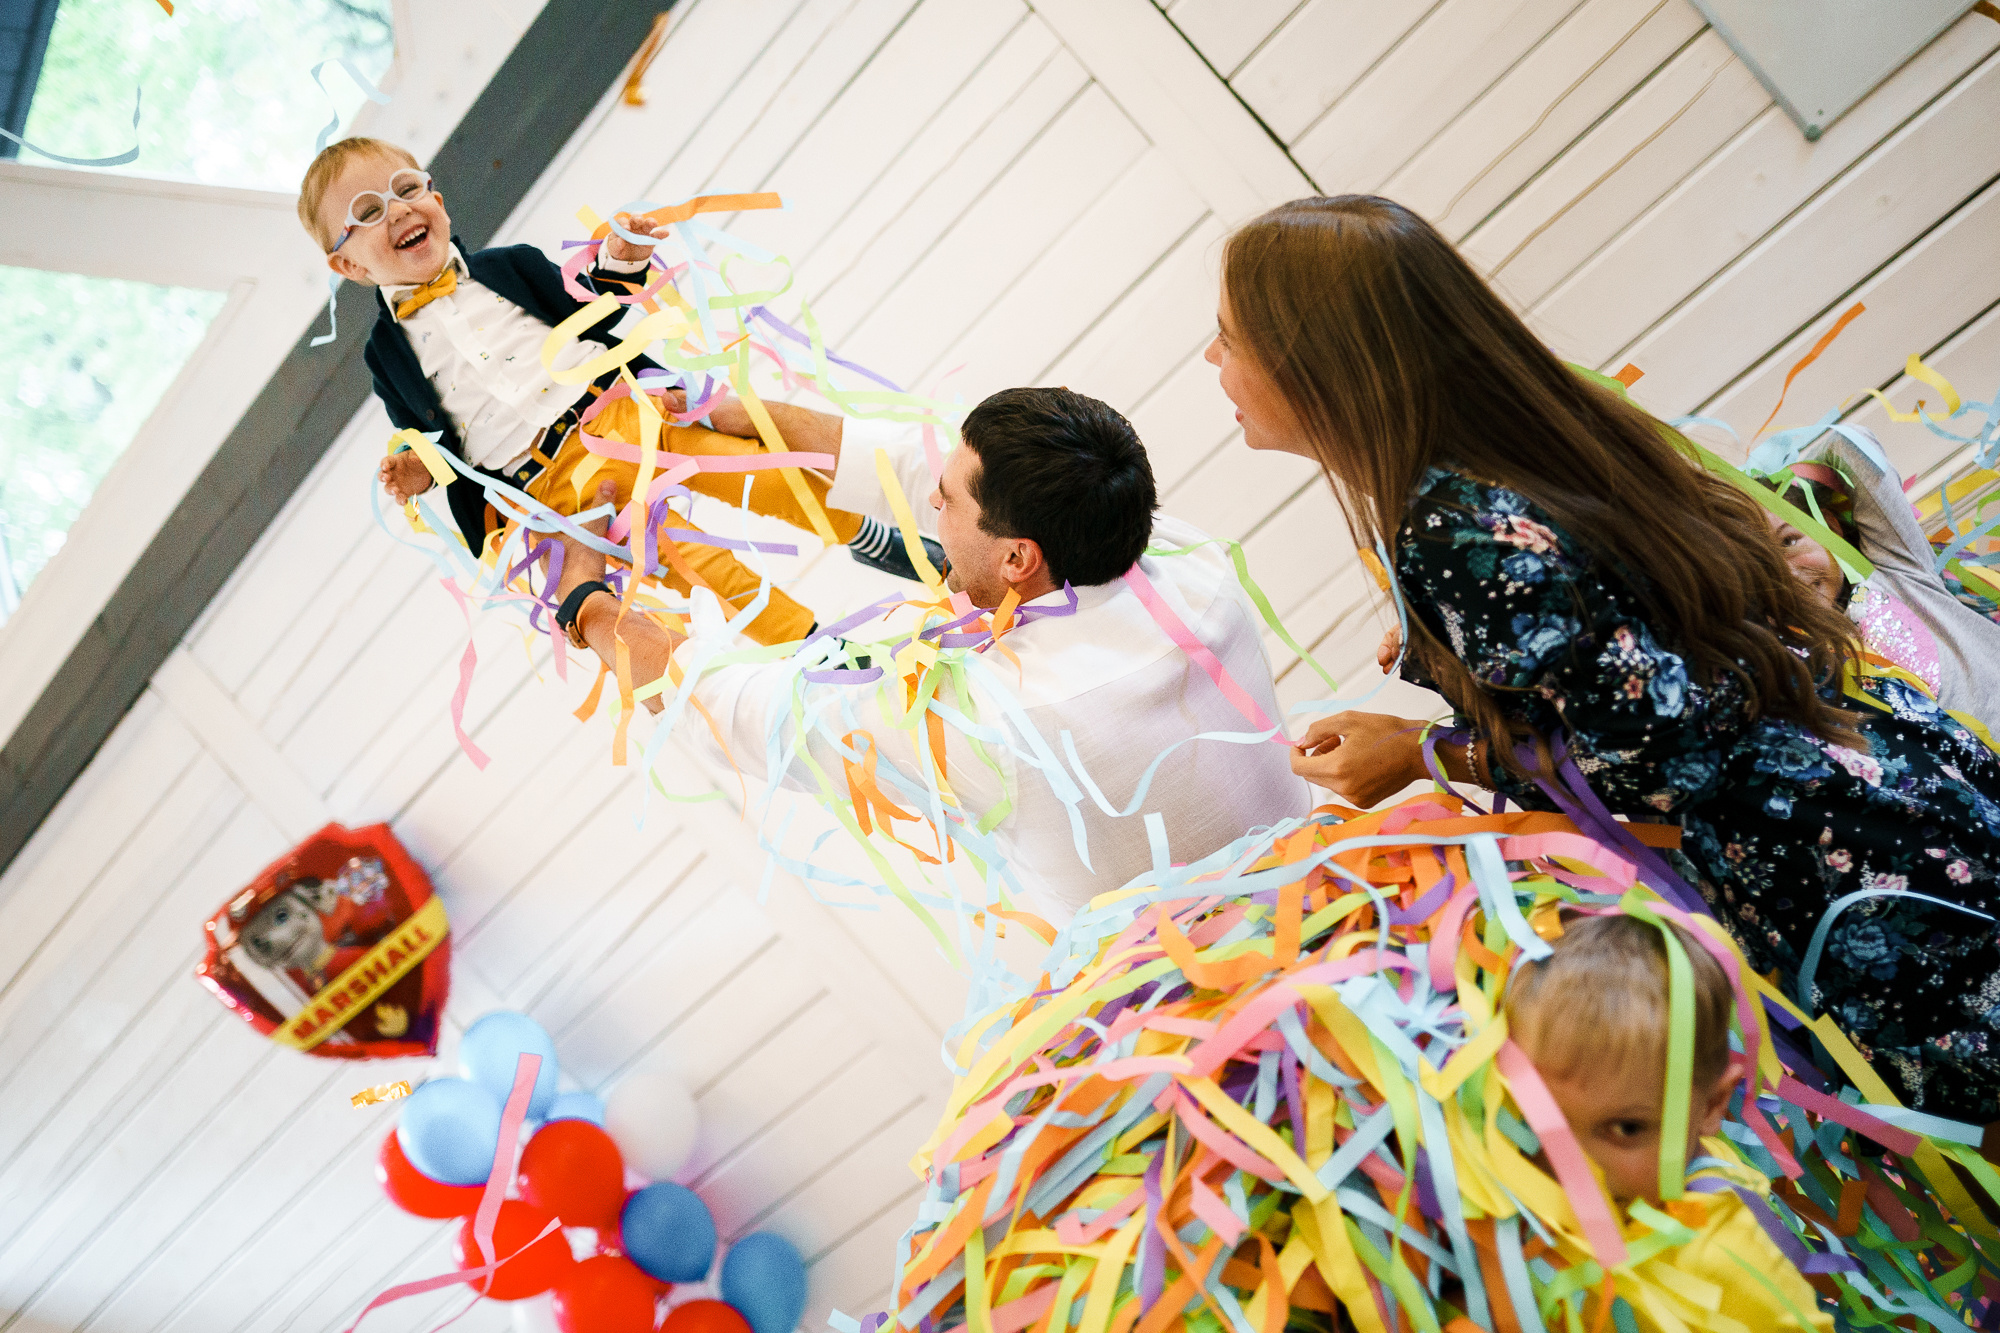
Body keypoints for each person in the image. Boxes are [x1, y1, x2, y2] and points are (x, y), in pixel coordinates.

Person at [1208, 192, 2000, 1120]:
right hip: (1894, 776)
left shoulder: (1450, 526)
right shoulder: (1530, 429)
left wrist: (1423, 753)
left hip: (1846, 869)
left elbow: (1665, 756)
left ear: (1317, 361)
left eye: (1228, 338)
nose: (1214, 361)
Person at [542, 386, 1312, 922]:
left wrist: (584, 600)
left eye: (950, 502)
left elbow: (728, 708)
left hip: (1189, 1029)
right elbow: (911, 471)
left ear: (1018, 560)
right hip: (1320, 900)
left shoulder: (989, 720)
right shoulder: (1180, 559)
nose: (932, 505)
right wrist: (743, 416)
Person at [298, 136, 937, 646]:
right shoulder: (385, 355)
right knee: (699, 566)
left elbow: (594, 309)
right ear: (348, 265)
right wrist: (418, 470)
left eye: (407, 189)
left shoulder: (509, 266)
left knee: (761, 475)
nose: (400, 210)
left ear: (436, 196)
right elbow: (443, 443)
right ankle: (812, 644)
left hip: (628, 417)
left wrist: (622, 261)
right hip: (557, 487)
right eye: (369, 212)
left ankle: (881, 540)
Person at [1506, 913, 1832, 1331]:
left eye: (1626, 1128)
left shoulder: (1722, 1258)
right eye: (1538, 1119)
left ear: (1712, 1105)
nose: (1572, 1168)